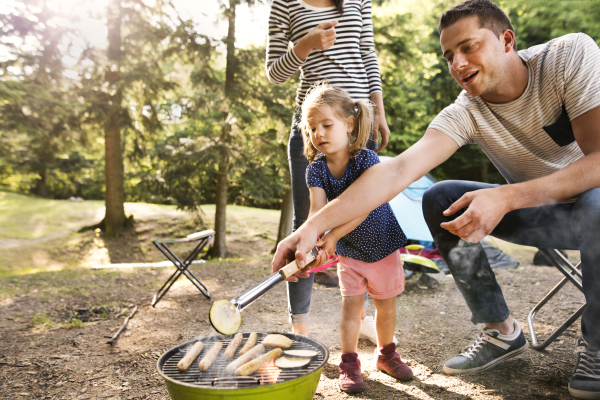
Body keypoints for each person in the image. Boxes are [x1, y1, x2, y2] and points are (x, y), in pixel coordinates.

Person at [272, 0, 600, 398]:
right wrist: (310, 228)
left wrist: (507, 196)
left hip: (593, 210)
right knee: (441, 196)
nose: (458, 63)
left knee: (595, 202)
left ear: (507, 40)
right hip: (542, 215)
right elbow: (394, 171)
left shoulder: (568, 57)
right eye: (449, 56)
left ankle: (597, 345)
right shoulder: (467, 110)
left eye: (468, 47)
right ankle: (500, 331)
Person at [266, 0, 391, 342]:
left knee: (363, 214)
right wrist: (305, 44)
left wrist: (377, 111)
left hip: (355, 127)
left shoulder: (357, 1)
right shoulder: (284, 5)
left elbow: (368, 53)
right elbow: (274, 72)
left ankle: (360, 315)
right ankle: (299, 329)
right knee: (306, 223)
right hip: (312, 131)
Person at [299, 83, 412, 393]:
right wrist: (310, 243)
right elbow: (317, 212)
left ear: (349, 124)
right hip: (349, 253)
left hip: (382, 246)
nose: (318, 133)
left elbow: (363, 206)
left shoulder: (366, 160)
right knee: (351, 307)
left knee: (385, 307)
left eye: (326, 124)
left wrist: (332, 236)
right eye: (312, 128)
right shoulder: (316, 171)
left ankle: (387, 354)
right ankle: (349, 362)